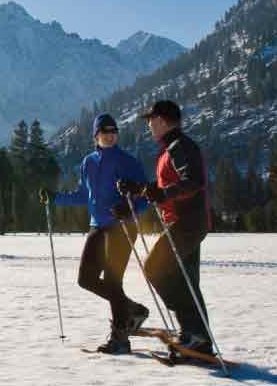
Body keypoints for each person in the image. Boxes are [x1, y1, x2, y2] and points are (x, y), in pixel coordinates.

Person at [40, 113, 150, 354]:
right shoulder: (88, 162)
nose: (110, 136)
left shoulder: (128, 161)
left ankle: (121, 338)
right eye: (105, 132)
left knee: (113, 281)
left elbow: (146, 197)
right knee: (85, 279)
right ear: (95, 136)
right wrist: (55, 197)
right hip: (97, 225)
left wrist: (128, 208)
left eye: (113, 132)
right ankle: (133, 309)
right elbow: (83, 195)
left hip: (122, 227)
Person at [117, 100, 214, 358]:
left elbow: (193, 181)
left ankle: (192, 332)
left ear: (161, 120)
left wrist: (161, 193)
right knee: (187, 281)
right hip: (188, 221)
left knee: (154, 268)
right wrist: (139, 190)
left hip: (187, 221)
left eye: (150, 120)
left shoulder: (179, 147)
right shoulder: (173, 147)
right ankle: (199, 338)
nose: (149, 125)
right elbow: (167, 187)